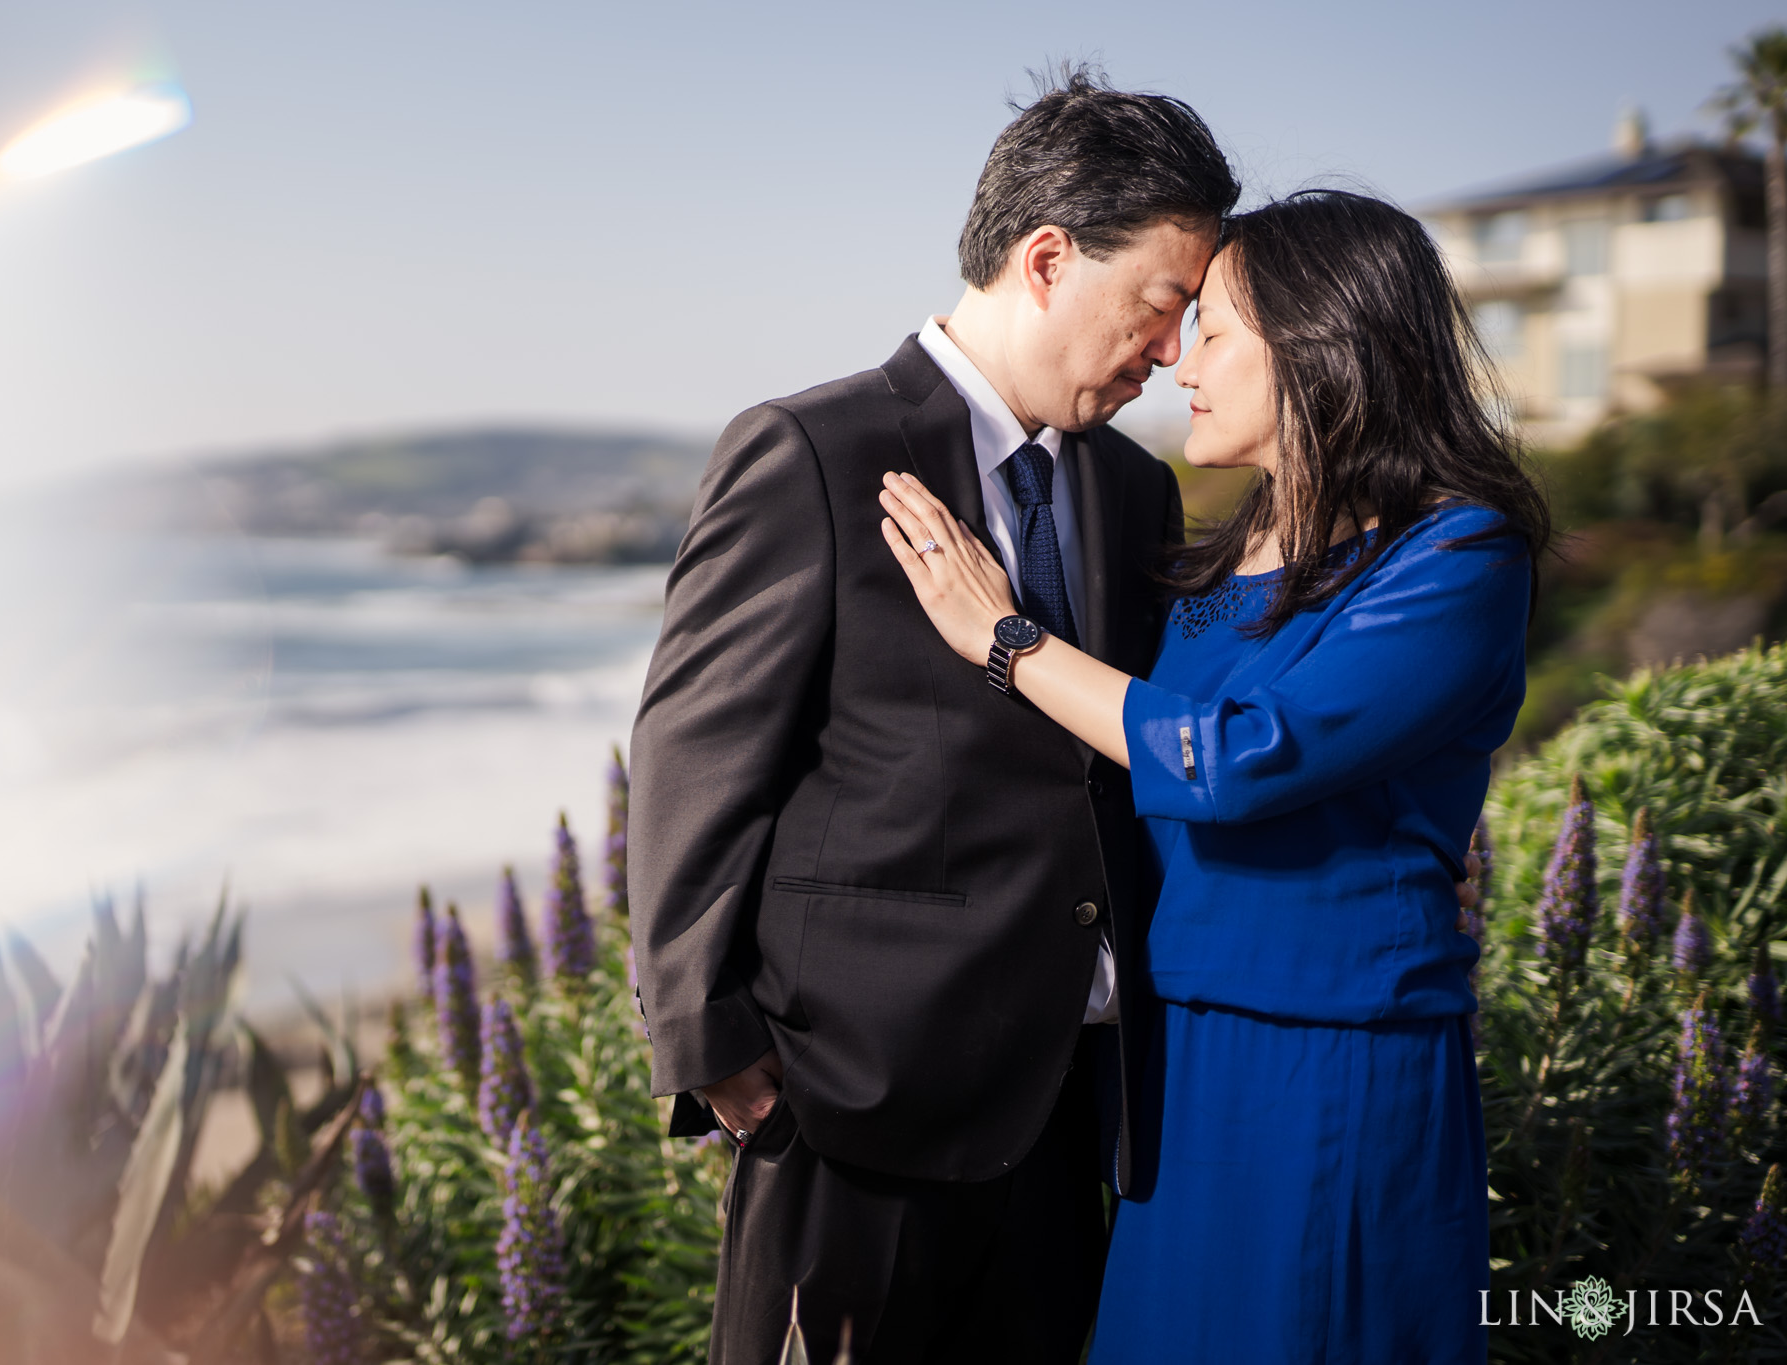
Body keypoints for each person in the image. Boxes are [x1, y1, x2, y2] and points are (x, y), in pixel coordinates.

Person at [627, 68, 1238, 1365]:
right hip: (851, 1111)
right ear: (1049, 257)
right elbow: (693, 758)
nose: (1172, 351)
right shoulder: (814, 448)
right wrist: (712, 1046)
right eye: (1161, 305)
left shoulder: (1137, 492)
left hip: (1077, 1113)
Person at [877, 188, 1551, 1363]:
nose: (1174, 360)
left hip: (1329, 1045)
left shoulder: (1456, 554)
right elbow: (1113, 755)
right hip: (1170, 1053)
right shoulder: (1221, 545)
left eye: (1213, 329)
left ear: (1318, 348)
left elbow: (1241, 756)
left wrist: (1004, 638)